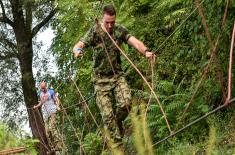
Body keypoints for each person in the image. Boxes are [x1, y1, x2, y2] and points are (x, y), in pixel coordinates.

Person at [73, 4, 155, 151]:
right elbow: (78, 45)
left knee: (126, 103)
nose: (110, 25)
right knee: (107, 118)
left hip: (117, 76)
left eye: (112, 22)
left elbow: (135, 42)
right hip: (100, 81)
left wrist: (146, 51)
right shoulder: (95, 31)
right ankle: (119, 150)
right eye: (107, 22)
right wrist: (78, 51)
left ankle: (117, 123)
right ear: (103, 19)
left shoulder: (119, 30)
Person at [33, 81, 62, 152]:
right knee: (47, 131)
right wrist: (36, 106)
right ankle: (52, 147)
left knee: (52, 127)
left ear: (46, 86)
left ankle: (59, 145)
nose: (42, 89)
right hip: (46, 114)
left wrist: (58, 106)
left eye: (43, 88)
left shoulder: (51, 92)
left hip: (53, 111)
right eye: (41, 88)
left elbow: (57, 100)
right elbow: (41, 102)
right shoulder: (41, 94)